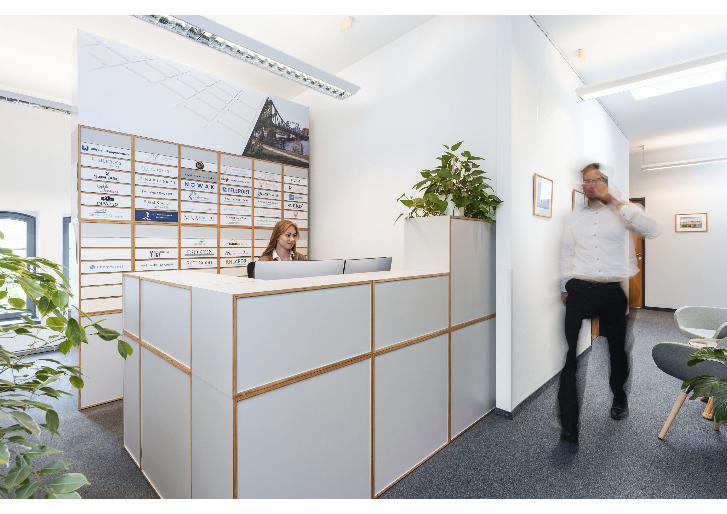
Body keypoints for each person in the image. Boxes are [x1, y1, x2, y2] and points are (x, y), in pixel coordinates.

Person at [558, 163, 660, 444]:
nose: (590, 185)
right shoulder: (573, 219)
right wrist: (564, 285)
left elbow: (652, 229)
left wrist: (615, 201)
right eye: (586, 180)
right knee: (570, 356)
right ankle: (568, 424)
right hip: (579, 289)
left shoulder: (623, 212)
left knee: (617, 350)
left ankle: (619, 395)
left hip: (612, 292)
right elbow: (566, 252)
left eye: (597, 180)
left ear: (606, 182)